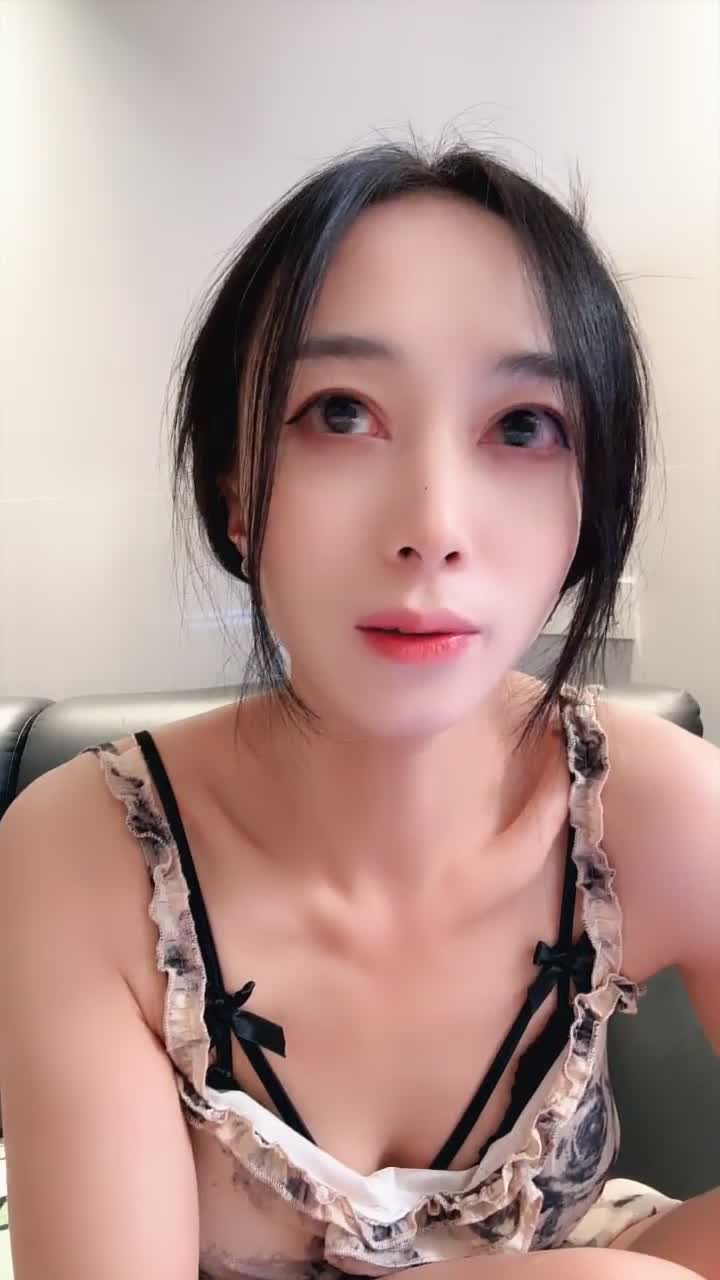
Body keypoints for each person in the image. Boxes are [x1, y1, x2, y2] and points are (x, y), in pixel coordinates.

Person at [0, 141, 717, 1280]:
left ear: (590, 504)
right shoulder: (80, 856)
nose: (433, 525)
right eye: (340, 412)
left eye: (523, 425)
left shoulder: (662, 807)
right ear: (235, 492)